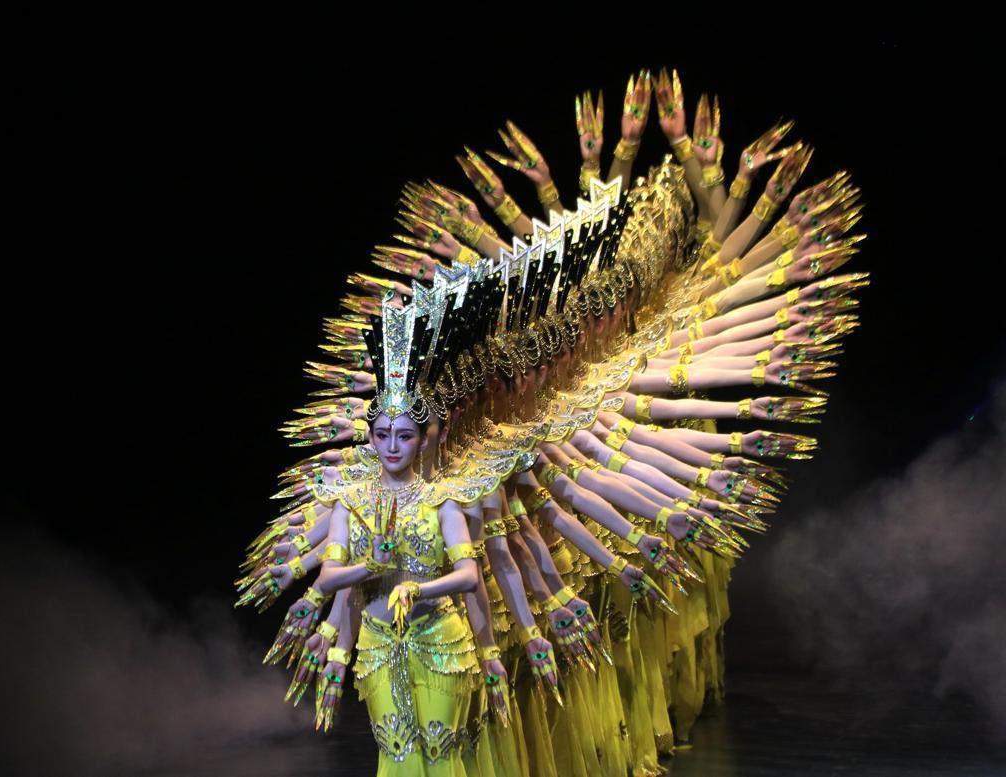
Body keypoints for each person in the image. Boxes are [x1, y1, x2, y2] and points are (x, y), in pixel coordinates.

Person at [236, 66, 866, 775]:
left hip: (498, 616)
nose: (389, 443)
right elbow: (346, 560)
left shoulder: (509, 452)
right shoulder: (385, 480)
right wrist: (324, 617)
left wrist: (605, 561)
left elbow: (569, 508)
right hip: (429, 634)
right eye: (382, 432)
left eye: (403, 432)